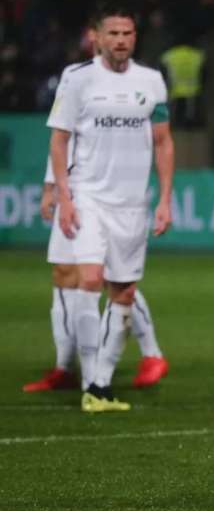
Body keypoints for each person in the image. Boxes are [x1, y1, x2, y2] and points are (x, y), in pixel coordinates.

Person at [48, 5, 174, 412]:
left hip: (133, 204)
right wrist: (64, 196)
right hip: (89, 197)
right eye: (113, 33)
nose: (121, 40)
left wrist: (166, 199)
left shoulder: (152, 81)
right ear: (96, 37)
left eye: (128, 33)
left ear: (135, 38)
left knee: (124, 291)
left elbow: (163, 142)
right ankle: (88, 379)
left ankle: (100, 383)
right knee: (89, 279)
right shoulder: (78, 79)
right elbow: (59, 141)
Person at [24, 158, 170, 392]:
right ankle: (64, 367)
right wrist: (50, 187)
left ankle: (151, 354)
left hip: (100, 189)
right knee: (64, 273)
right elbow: (61, 139)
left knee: (106, 277)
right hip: (71, 186)